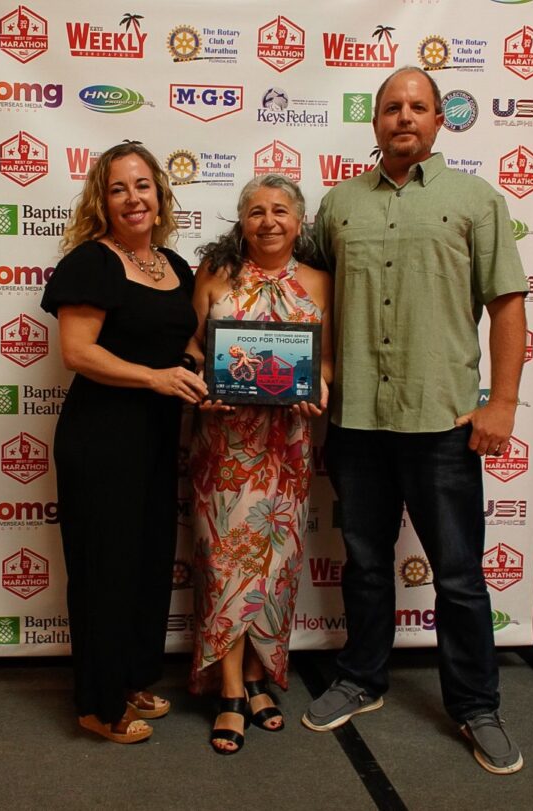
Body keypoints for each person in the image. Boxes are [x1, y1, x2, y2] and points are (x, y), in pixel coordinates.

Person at [303, 67, 528, 775]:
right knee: (365, 563)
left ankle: (476, 704)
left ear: (439, 120)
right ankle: (361, 677)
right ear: (375, 122)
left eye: (417, 106)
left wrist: (502, 404)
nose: (404, 117)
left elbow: (508, 305)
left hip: (442, 421)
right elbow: (308, 296)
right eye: (391, 107)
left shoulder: (476, 200)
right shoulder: (338, 205)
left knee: (459, 575)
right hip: (358, 419)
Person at [40, 142, 207, 744]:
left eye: (142, 185)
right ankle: (97, 704)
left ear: (160, 193)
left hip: (157, 439)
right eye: (118, 189)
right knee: (104, 570)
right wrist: (157, 379)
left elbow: (176, 344)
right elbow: (79, 353)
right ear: (101, 201)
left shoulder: (175, 266)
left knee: (144, 565)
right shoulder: (92, 261)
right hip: (102, 438)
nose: (133, 198)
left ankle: (134, 677)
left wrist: (201, 371)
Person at [186, 174, 334, 754]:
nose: (267, 221)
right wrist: (203, 381)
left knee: (273, 567)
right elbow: (195, 348)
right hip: (223, 444)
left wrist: (316, 384)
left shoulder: (320, 280)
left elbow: (328, 359)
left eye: (280, 211)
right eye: (255, 212)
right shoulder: (216, 274)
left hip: (286, 446)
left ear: (299, 222)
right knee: (225, 565)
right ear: (240, 222)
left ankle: (256, 677)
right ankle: (228, 690)